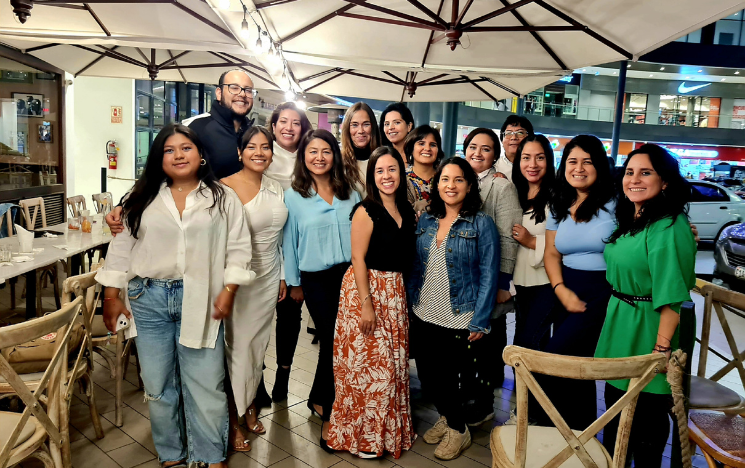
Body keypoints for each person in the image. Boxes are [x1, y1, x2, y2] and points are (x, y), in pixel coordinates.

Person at [96, 123, 254, 468]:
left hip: (201, 298)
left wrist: (229, 289)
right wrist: (111, 296)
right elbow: (122, 247)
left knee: (206, 384)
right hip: (147, 298)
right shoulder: (140, 199)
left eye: (185, 148)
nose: (178, 155)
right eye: (169, 150)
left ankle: (211, 456)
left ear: (200, 156)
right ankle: (171, 454)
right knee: (158, 385)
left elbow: (240, 249)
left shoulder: (221, 198)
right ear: (158, 158)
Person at [596, 144, 695, 467]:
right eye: (629, 172)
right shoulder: (632, 216)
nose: (634, 179)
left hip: (651, 326)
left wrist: (661, 349)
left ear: (665, 181)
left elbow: (673, 296)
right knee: (615, 412)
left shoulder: (669, 225)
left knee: (647, 421)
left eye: (646, 172)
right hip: (621, 320)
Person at [328, 147, 417, 459]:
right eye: (380, 171)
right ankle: (362, 436)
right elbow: (357, 259)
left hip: (395, 291)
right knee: (368, 367)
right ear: (372, 176)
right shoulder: (366, 210)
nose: (386, 176)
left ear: (400, 173)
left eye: (392, 169)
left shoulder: (407, 209)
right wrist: (367, 304)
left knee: (392, 365)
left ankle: (388, 432)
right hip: (366, 290)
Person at [408, 157, 499, 461]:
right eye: (445, 179)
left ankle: (458, 430)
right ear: (436, 185)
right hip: (423, 310)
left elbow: (489, 273)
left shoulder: (481, 223)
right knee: (428, 375)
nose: (451, 185)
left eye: (459, 179)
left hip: (459, 315)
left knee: (448, 377)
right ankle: (449, 418)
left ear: (470, 185)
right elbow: (416, 267)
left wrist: (481, 319)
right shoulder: (426, 219)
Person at [283, 129, 361, 451]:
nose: (319, 157)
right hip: (315, 279)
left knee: (339, 340)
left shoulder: (351, 192)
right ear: (303, 156)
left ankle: (316, 398)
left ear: (335, 155)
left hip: (350, 276)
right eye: (312, 151)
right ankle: (330, 414)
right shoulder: (293, 195)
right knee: (331, 339)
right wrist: (294, 283)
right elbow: (287, 242)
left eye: (326, 151)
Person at [542, 134, 617, 430]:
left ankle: (566, 432)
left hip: (602, 292)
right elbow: (550, 253)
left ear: (599, 165)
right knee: (575, 367)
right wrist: (560, 290)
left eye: (588, 161)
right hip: (565, 289)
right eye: (572, 161)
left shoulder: (617, 202)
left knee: (554, 360)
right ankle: (576, 435)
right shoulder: (559, 203)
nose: (579, 168)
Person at [221, 126, 288, 451]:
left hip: (270, 276)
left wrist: (283, 275)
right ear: (239, 152)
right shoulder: (225, 189)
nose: (259, 152)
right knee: (239, 350)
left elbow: (282, 237)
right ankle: (231, 420)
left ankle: (249, 406)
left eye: (265, 147)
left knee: (258, 348)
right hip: (239, 281)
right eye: (252, 147)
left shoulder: (275, 186)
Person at [462, 127, 521, 427]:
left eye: (486, 149)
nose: (478, 153)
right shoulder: (459, 181)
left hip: (490, 282)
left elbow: (508, 238)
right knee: (469, 346)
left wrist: (502, 283)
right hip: (464, 284)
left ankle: (484, 405)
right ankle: (469, 398)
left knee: (486, 347)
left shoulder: (501, 187)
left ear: (495, 156)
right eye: (473, 146)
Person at [263, 101, 313, 403]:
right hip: (265, 249)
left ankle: (283, 375)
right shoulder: (262, 156)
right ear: (273, 126)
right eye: (283, 121)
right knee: (255, 320)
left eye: (295, 122)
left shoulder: (309, 161)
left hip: (297, 251)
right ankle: (255, 380)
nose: (288, 127)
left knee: (290, 317)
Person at [510, 135, 556, 350]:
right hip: (519, 282)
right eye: (526, 157)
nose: (532, 164)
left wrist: (532, 241)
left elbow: (566, 243)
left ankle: (534, 384)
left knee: (528, 343)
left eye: (540, 157)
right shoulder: (513, 193)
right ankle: (527, 385)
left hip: (546, 282)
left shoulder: (558, 197)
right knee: (525, 339)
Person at [182, 69, 256, 179]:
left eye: (248, 90)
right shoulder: (194, 128)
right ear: (219, 93)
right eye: (234, 88)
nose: (242, 94)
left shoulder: (253, 133)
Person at [341, 102, 381, 190]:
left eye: (366, 124)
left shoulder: (383, 159)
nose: (360, 130)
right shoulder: (339, 161)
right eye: (354, 125)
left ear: (373, 127)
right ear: (347, 129)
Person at [405, 125, 442, 212]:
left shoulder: (445, 178)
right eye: (421, 143)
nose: (427, 148)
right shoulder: (401, 179)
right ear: (411, 148)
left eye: (433, 145)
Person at [494, 115, 534, 181]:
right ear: (502, 139)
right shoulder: (494, 169)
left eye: (520, 133)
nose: (514, 138)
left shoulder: (538, 167)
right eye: (509, 133)